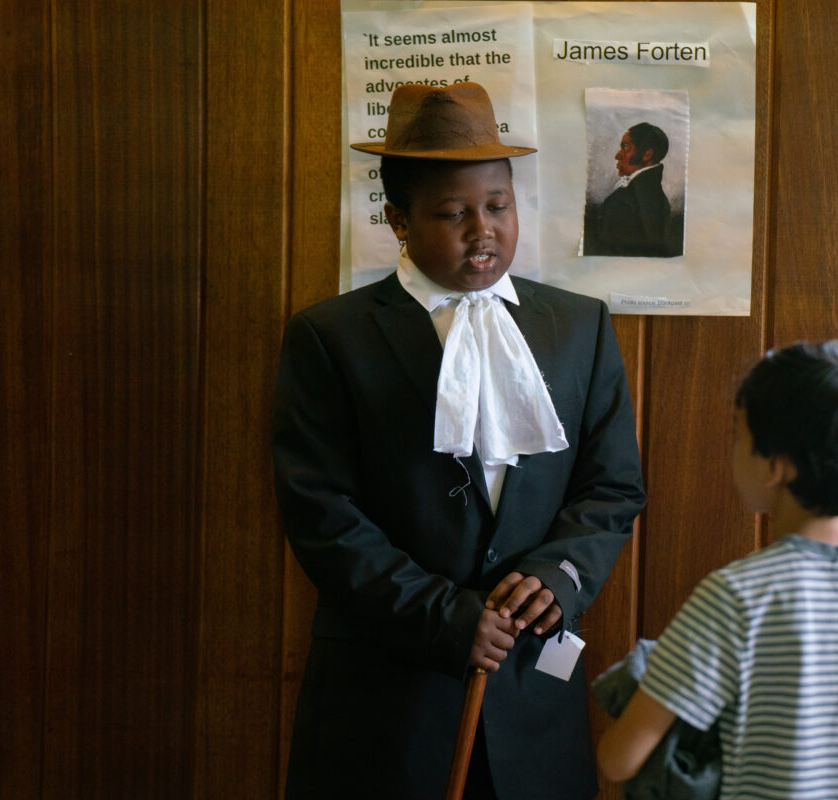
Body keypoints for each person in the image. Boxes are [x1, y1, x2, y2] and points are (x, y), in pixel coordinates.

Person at [272, 81, 645, 800]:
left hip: (534, 696)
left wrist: (560, 578)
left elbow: (613, 483)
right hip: (387, 702)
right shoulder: (330, 336)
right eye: (453, 213)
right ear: (398, 219)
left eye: (498, 207)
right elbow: (321, 514)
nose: (484, 230)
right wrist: (443, 618)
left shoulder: (579, 326)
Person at [596, 340, 838, 799]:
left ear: (776, 466)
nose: (733, 448)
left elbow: (619, 759)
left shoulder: (737, 595)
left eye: (738, 434)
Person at [585, 121, 679, 257]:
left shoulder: (634, 198)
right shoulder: (645, 193)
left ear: (647, 155)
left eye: (625, 147)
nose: (617, 155)